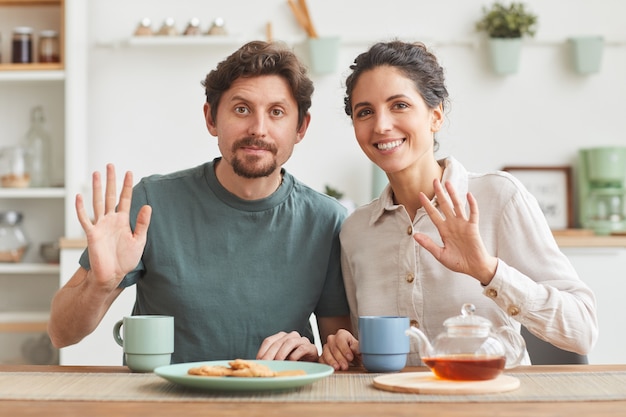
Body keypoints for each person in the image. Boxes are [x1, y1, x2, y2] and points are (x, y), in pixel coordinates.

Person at [48, 40, 352, 364]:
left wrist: (317, 356)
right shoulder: (151, 205)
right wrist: (100, 284)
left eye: (276, 112)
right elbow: (61, 333)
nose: (258, 129)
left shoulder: (326, 221)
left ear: (300, 127)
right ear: (211, 119)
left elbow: (340, 353)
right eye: (241, 109)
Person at [319, 40, 598, 370]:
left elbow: (582, 331)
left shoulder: (498, 197)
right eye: (365, 112)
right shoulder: (356, 231)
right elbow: (363, 355)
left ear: (435, 115)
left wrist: (487, 271)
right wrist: (346, 349)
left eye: (399, 105)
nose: (381, 125)